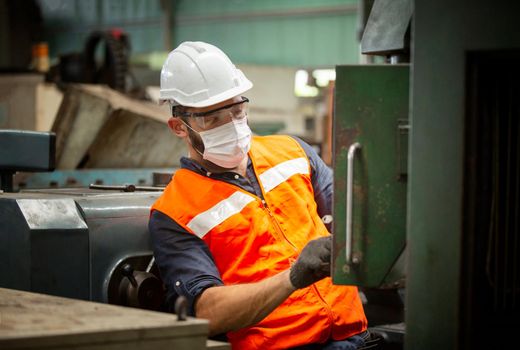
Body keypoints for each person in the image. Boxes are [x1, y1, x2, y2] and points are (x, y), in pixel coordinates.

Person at [149, 41, 368, 349]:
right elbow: (207, 311)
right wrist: (293, 277)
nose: (232, 125)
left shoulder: (293, 152)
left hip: (354, 335)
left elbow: (355, 216)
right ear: (178, 126)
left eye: (237, 110)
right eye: (212, 119)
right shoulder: (175, 212)